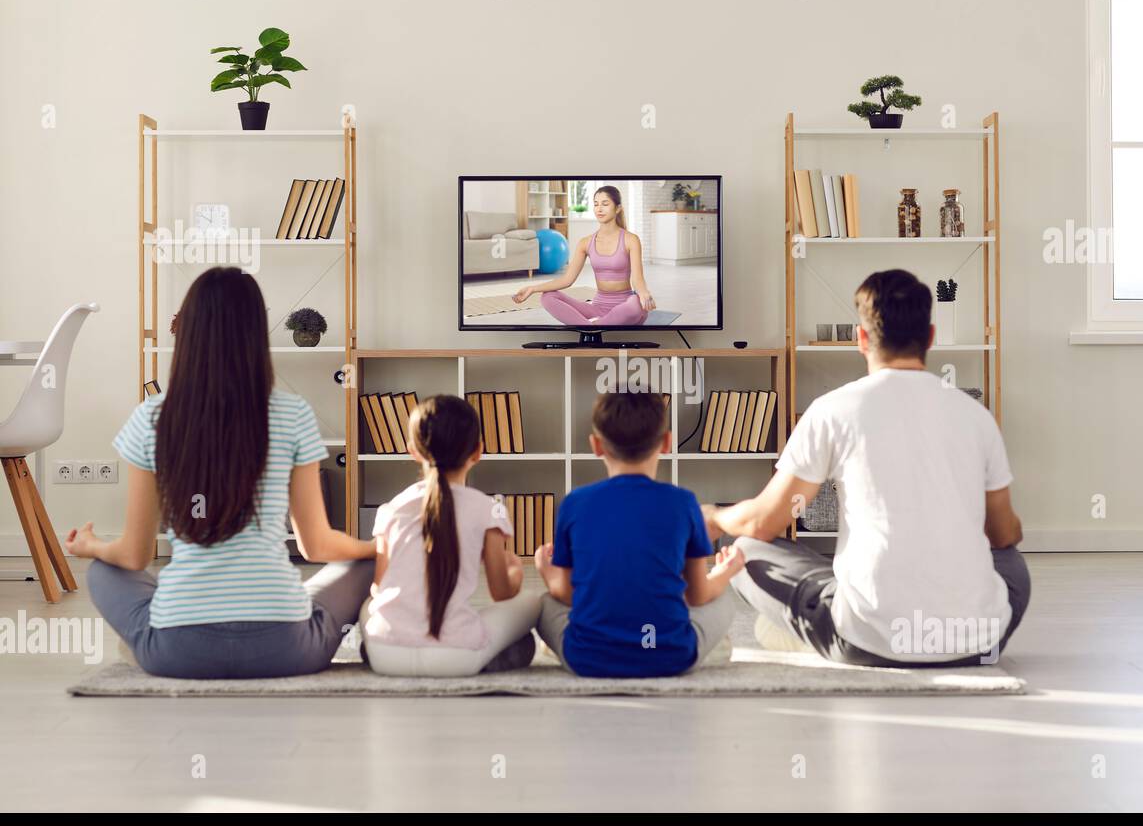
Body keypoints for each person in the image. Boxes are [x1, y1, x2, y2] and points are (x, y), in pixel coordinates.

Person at [705, 269, 1030, 667]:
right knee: (1012, 562)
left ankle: (813, 632)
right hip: (977, 643)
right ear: (929, 337)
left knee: (743, 548)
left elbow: (764, 524)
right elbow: (1003, 533)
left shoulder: (832, 409)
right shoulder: (976, 415)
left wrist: (717, 517)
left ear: (861, 338)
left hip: (864, 642)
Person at [69, 266, 376, 679]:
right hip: (287, 652)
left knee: (105, 570)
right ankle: (277, 604)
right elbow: (316, 546)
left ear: (189, 333)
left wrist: (92, 546)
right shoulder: (291, 413)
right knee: (361, 565)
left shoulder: (152, 418)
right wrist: (379, 548)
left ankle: (148, 639)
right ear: (255, 334)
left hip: (177, 654)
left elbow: (135, 554)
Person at [534, 391, 741, 677]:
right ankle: (704, 645)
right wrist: (727, 572)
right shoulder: (684, 503)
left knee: (543, 603)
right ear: (667, 442)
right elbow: (698, 595)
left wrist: (546, 571)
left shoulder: (574, 503)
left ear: (596, 445)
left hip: (588, 659)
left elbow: (567, 594)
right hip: (669, 657)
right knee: (724, 600)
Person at [361, 395, 540, 676]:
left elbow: (379, 588)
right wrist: (515, 572)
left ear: (413, 451)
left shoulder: (391, 509)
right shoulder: (488, 510)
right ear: (478, 451)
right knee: (532, 602)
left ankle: (375, 645)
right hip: (456, 660)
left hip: (387, 656)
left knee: (371, 606)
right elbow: (501, 593)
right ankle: (489, 655)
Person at [511, 185, 655, 326]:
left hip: (625, 308)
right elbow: (567, 279)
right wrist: (532, 288)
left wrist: (643, 293)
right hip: (597, 309)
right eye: (596, 204)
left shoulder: (631, 239)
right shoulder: (585, 243)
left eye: (605, 204)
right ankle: (595, 326)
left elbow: (637, 279)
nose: (599, 209)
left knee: (636, 304)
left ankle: (590, 327)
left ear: (617, 208)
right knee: (548, 297)